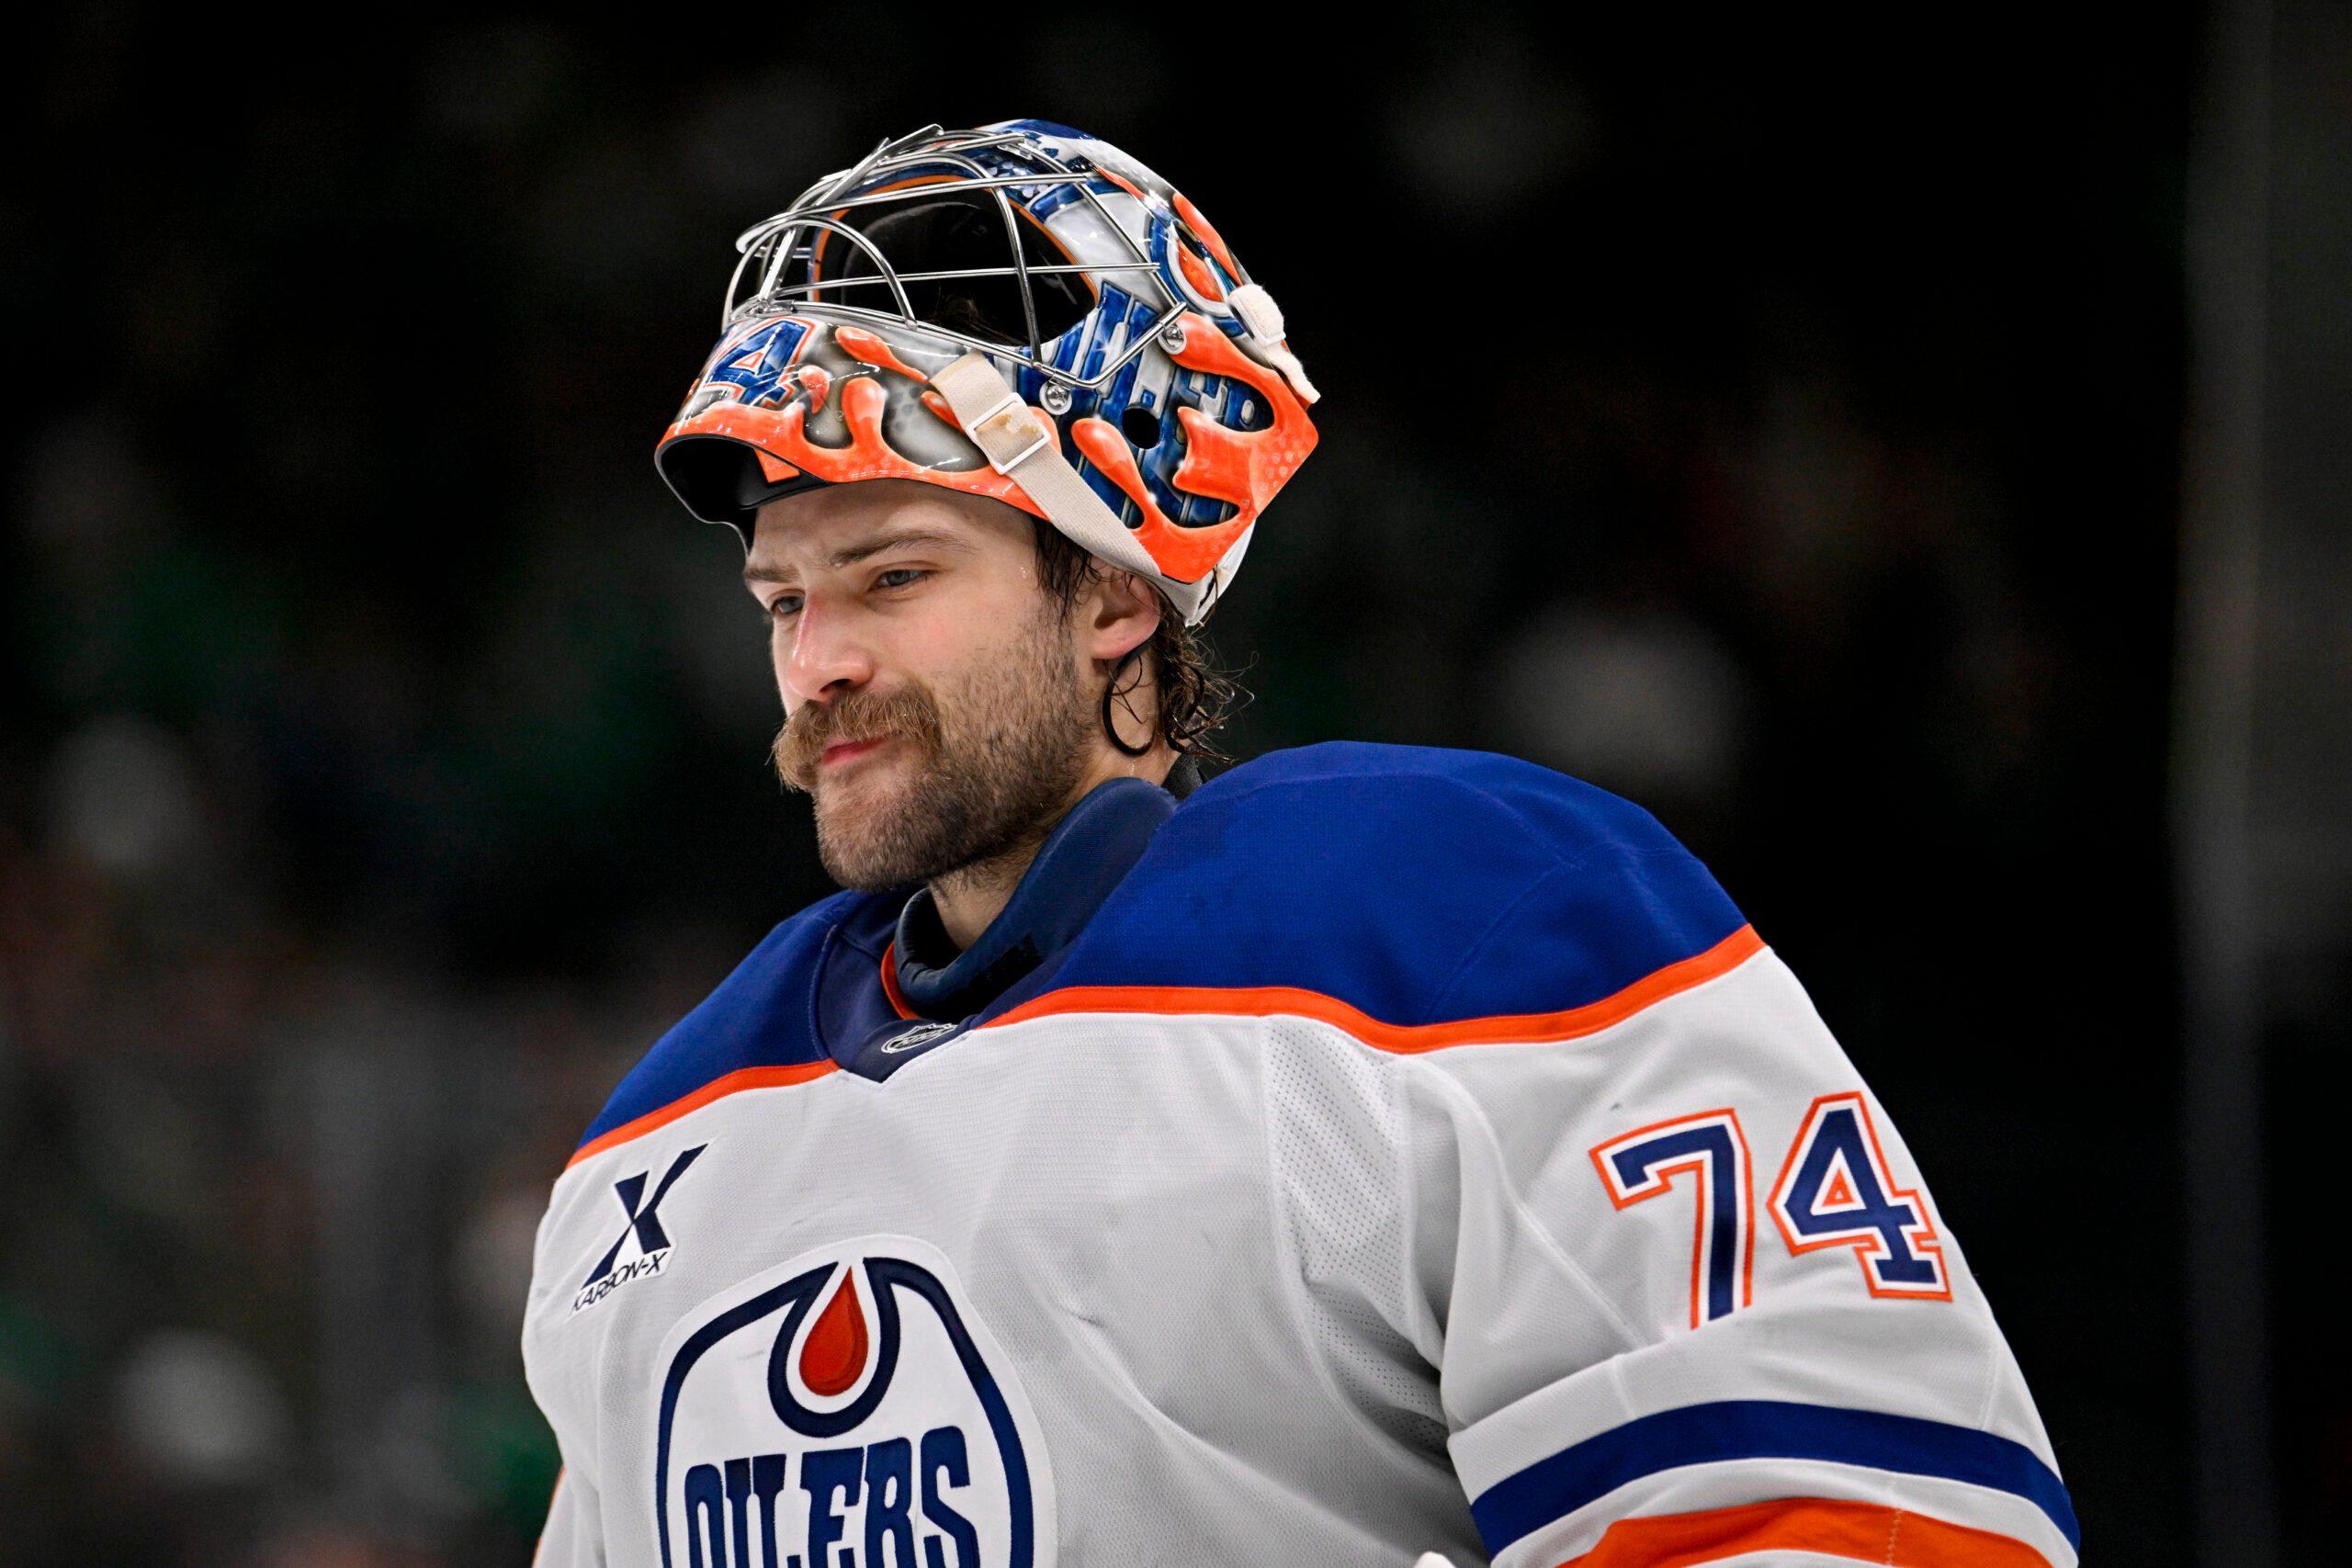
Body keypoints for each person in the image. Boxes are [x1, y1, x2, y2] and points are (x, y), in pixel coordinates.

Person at [521, 120, 2075, 1568]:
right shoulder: (660, 1141)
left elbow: (1863, 1524)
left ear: (1116, 591)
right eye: (786, 600)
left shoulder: (1472, 928)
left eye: (894, 577)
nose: (817, 662)